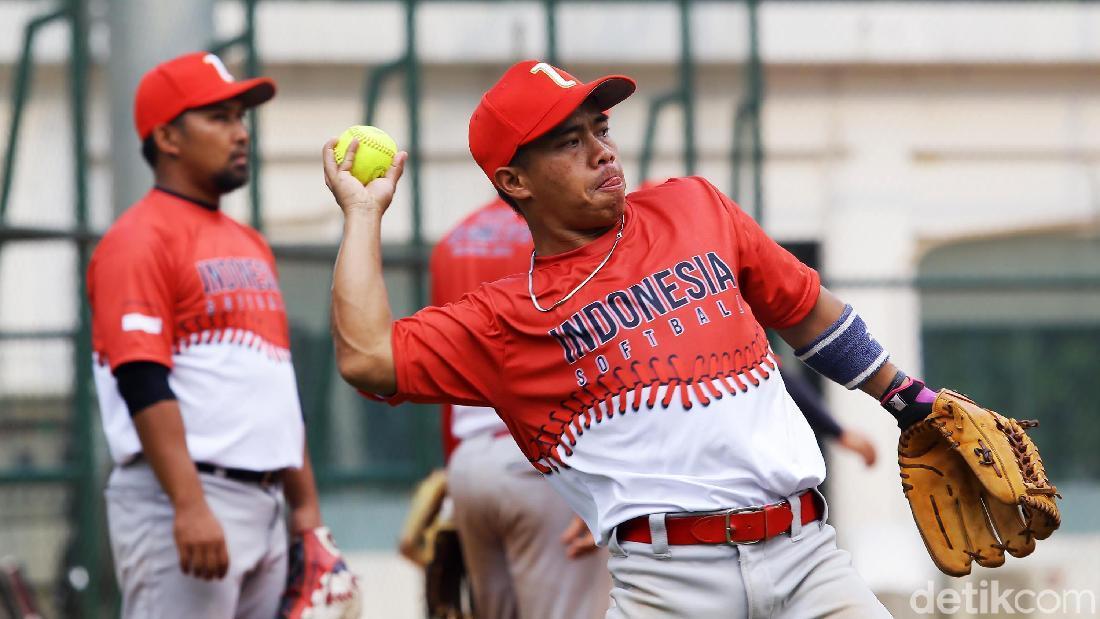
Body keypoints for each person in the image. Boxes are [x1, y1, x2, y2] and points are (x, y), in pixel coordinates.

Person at [323, 59, 943, 617]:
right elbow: (368, 356)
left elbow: (807, 310)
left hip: (810, 560)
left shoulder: (695, 208)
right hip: (667, 584)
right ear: (516, 183)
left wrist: (910, 401)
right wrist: (362, 215)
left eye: (602, 129)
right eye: (571, 142)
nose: (602, 151)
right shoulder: (508, 318)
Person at [88, 52, 344, 618]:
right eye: (220, 117)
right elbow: (140, 376)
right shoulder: (138, 238)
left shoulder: (248, 242)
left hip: (266, 501)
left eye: (241, 118)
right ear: (168, 136)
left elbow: (273, 386)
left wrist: (307, 517)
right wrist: (188, 503)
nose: (240, 133)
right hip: (182, 497)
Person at [431, 197, 610, 618]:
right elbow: (594, 357)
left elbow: (441, 369)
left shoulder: (452, 241)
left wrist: (451, 471)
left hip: (470, 462)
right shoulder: (566, 229)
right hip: (544, 458)